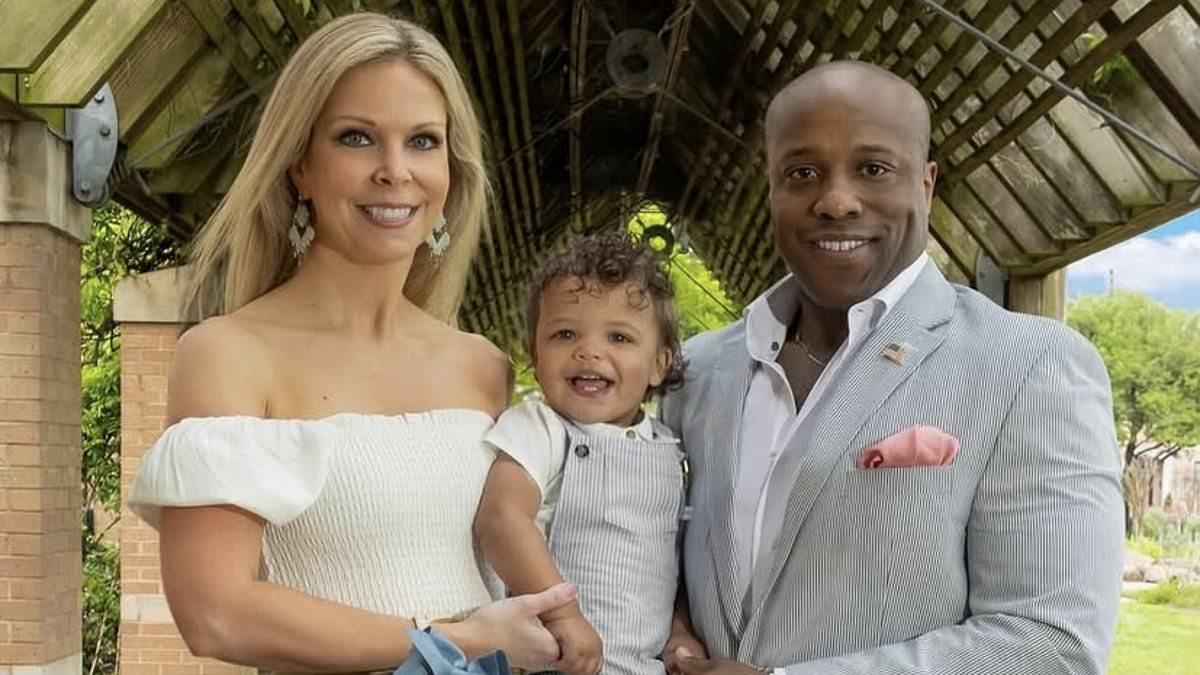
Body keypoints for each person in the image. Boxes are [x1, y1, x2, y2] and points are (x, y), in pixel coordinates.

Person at [127, 13, 574, 672]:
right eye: (357, 138)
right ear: (300, 167)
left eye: (423, 141)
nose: (395, 170)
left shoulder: (483, 366)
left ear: (451, 172)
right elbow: (216, 614)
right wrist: (458, 640)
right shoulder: (229, 354)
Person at [659, 61, 1124, 675]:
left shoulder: (1029, 366)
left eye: (873, 169)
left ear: (925, 186)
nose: (835, 201)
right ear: (771, 189)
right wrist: (674, 622)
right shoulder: (699, 371)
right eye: (802, 173)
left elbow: (1052, 644)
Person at [474, 232, 691, 675]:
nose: (589, 351)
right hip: (554, 660)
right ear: (535, 354)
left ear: (659, 364)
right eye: (565, 333)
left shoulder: (668, 449)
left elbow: (665, 562)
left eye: (619, 337)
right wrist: (563, 616)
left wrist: (679, 631)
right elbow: (502, 519)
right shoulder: (540, 428)